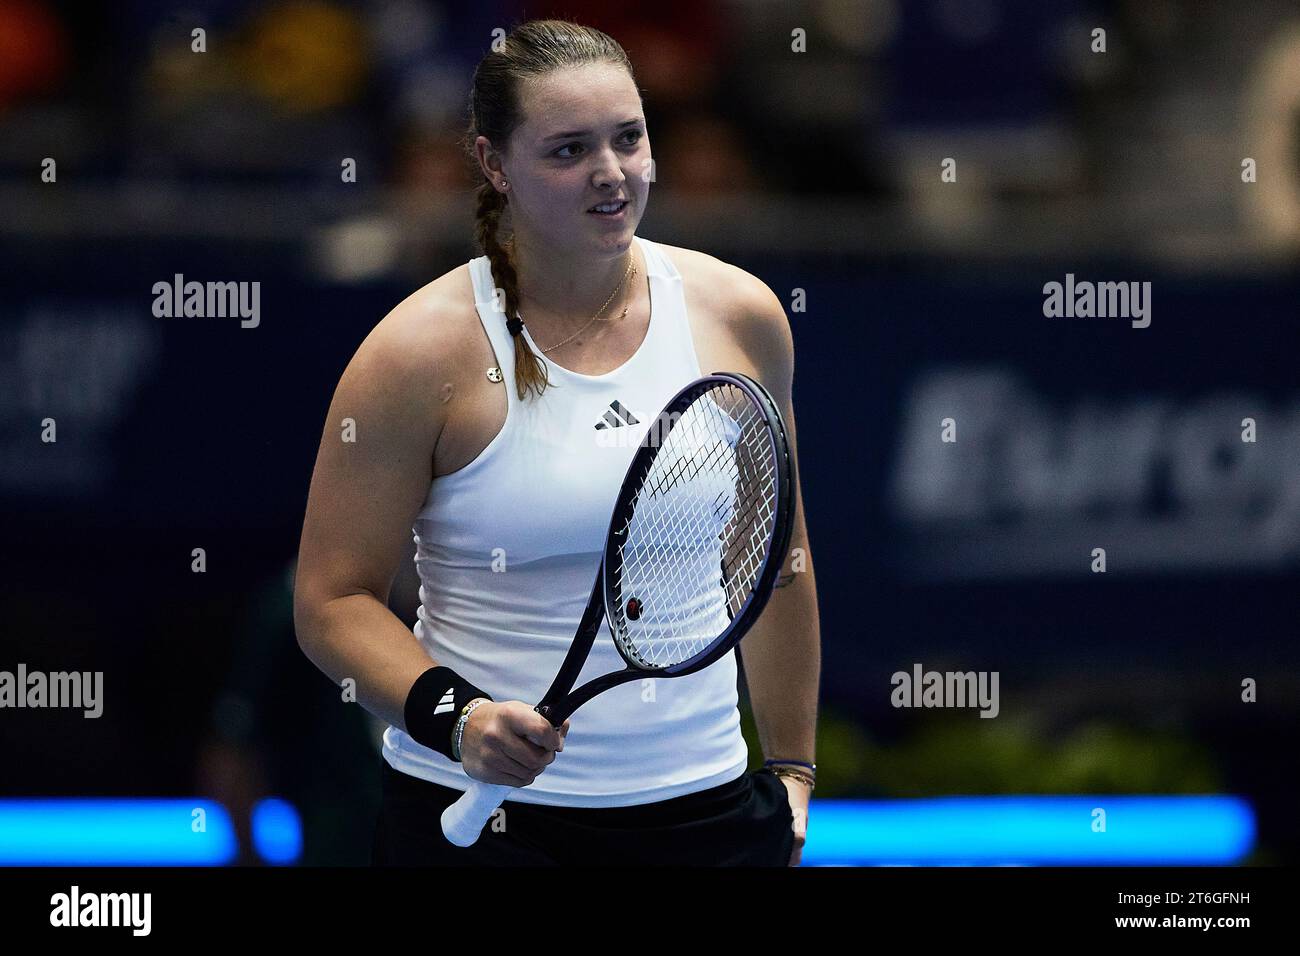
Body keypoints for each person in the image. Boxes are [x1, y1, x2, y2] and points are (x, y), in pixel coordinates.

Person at [293, 19, 821, 866]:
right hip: (478, 825)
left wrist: (793, 770)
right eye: (569, 150)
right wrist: (459, 718)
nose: (612, 173)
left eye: (629, 138)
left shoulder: (743, 315)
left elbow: (774, 558)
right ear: (495, 165)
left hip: (711, 819)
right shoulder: (413, 354)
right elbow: (330, 601)